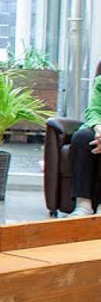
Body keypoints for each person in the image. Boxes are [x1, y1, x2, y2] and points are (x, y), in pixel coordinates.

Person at [66, 59, 101, 216]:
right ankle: (83, 204)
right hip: (99, 127)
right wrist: (99, 130)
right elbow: (93, 111)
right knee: (82, 137)